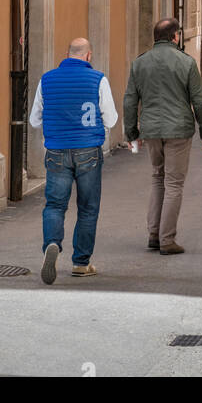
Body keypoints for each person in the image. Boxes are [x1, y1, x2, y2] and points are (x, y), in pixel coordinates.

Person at [30, 38, 118, 284]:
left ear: (66, 54)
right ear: (88, 56)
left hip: (57, 150)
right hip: (88, 150)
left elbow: (35, 120)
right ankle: (81, 263)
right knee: (88, 208)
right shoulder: (98, 79)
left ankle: (51, 244)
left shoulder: (46, 80)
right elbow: (110, 119)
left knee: (55, 205)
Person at [123, 17, 202, 255]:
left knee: (157, 178)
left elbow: (130, 100)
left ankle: (154, 234)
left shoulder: (139, 63)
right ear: (176, 37)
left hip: (151, 129)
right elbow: (200, 102)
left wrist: (132, 132)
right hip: (178, 130)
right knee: (174, 183)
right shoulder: (186, 62)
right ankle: (167, 239)